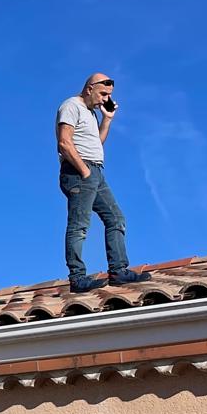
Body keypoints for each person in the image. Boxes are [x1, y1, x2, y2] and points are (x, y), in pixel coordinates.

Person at [55, 73, 150, 293]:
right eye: (103, 94)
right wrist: (85, 171)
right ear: (89, 89)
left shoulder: (91, 113)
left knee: (116, 218)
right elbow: (64, 142)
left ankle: (118, 271)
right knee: (79, 225)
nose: (104, 99)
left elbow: (96, 144)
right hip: (79, 171)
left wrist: (107, 119)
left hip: (95, 170)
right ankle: (77, 278)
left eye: (108, 95)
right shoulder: (71, 106)